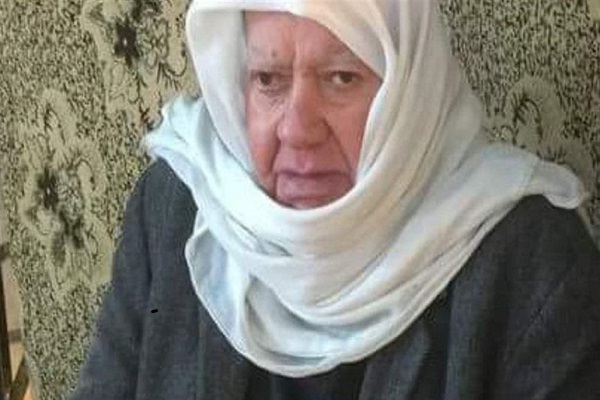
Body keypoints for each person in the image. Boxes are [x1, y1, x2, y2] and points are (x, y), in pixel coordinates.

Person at [70, 1, 600, 399]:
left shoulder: (532, 262)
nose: (297, 130)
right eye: (268, 80)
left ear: (411, 89)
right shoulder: (175, 206)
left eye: (341, 78)